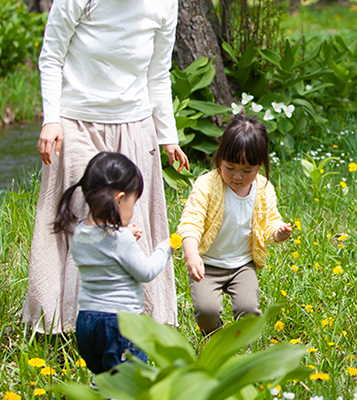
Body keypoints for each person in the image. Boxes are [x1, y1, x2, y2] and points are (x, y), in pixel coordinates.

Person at [22, 0, 188, 333]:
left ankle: (138, 324)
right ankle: (66, 322)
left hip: (135, 123)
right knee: (87, 217)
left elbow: (158, 71)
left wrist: (167, 136)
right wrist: (51, 119)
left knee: (132, 220)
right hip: (77, 120)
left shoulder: (165, 3)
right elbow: (51, 56)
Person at [54, 152, 174, 373]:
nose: (132, 208)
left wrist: (123, 233)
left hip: (87, 323)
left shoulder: (79, 231)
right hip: (121, 323)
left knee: (104, 376)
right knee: (130, 381)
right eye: (132, 201)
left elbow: (103, 246)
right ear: (119, 199)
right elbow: (146, 272)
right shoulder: (121, 239)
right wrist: (165, 248)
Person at [177, 115, 292, 335]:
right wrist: (192, 255)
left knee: (248, 310)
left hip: (242, 265)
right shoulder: (207, 186)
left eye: (247, 170)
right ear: (219, 158)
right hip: (207, 265)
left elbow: (270, 222)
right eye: (230, 167)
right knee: (206, 310)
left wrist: (279, 232)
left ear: (260, 166)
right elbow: (190, 223)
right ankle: (216, 338)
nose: (237, 176)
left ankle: (245, 351)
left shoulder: (263, 189)